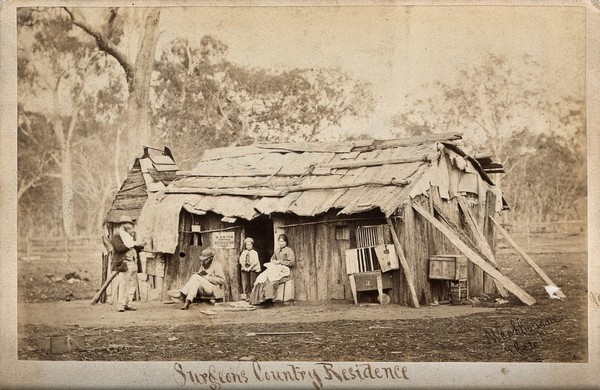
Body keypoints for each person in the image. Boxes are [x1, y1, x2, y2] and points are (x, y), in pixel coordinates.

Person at [249, 234, 295, 306]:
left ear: (286, 242)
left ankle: (268, 298)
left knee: (272, 278)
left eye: (283, 241)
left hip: (284, 268)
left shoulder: (289, 250)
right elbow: (272, 258)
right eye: (279, 241)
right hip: (276, 267)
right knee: (262, 277)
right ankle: (259, 299)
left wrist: (281, 262)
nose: (281, 243)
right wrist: (274, 261)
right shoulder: (277, 250)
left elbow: (291, 262)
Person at [110, 215, 143, 312]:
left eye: (129, 224)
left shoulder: (129, 237)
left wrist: (139, 245)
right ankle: (121, 304)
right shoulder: (116, 236)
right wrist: (132, 244)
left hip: (133, 262)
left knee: (132, 284)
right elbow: (119, 248)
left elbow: (135, 248)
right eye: (126, 223)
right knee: (123, 284)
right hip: (124, 263)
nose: (129, 226)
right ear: (122, 225)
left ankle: (128, 303)